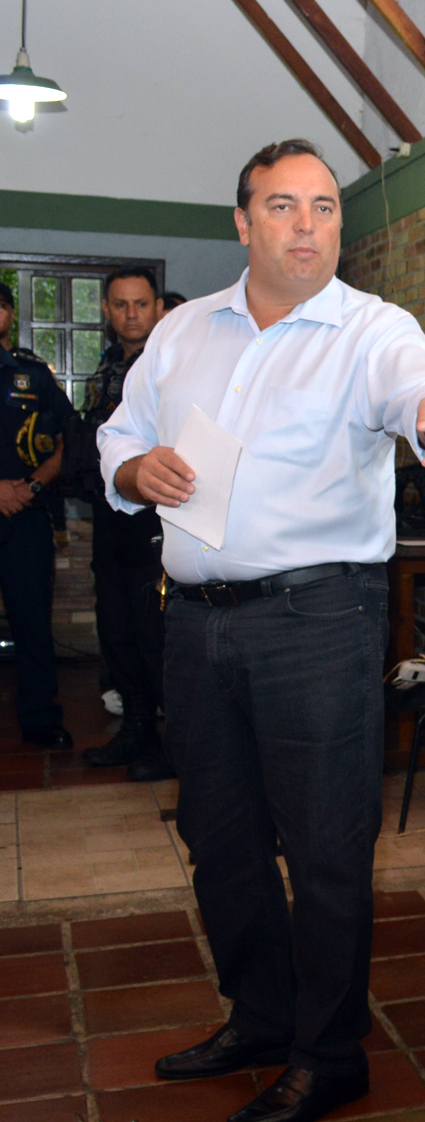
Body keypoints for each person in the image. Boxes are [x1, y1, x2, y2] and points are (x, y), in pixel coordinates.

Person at [97, 140, 425, 1122]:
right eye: (283, 205)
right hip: (196, 623)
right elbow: (119, 435)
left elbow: (416, 388)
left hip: (317, 622)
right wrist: (136, 470)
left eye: (324, 206)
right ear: (243, 223)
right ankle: (261, 1015)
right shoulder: (181, 332)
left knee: (325, 846)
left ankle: (328, 1055)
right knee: (218, 838)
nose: (308, 225)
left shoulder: (371, 329)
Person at [75, 266, 172, 780]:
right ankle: (137, 730)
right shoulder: (108, 365)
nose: (131, 314)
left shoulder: (171, 364)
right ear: (107, 311)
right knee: (116, 628)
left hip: (155, 520)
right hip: (109, 516)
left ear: (158, 308)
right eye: (120, 305)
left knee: (155, 633)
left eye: (140, 303)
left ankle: (174, 744)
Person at [0, 281, 73, 750]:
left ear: (10, 313)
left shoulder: (34, 375)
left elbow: (67, 442)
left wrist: (30, 488)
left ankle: (41, 718)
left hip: (26, 517)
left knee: (31, 623)